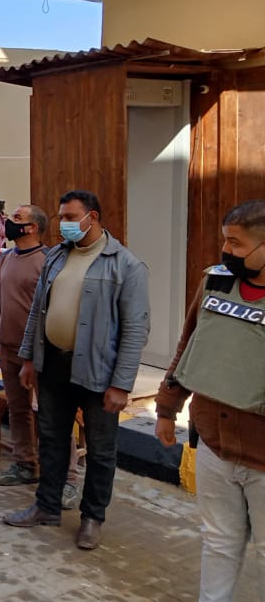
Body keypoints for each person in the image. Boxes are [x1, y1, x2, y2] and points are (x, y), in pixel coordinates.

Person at [4, 190, 150, 551]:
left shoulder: (125, 265)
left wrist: (122, 384)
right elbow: (38, 311)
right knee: (52, 439)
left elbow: (136, 329)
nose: (64, 224)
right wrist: (29, 359)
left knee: (101, 449)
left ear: (93, 217)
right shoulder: (56, 256)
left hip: (99, 373)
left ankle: (92, 518)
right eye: (62, 218)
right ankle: (47, 506)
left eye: (70, 217)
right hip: (53, 364)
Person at [155, 199, 265, 601]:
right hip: (214, 443)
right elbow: (189, 344)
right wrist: (167, 408)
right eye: (225, 240)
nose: (225, 251)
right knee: (218, 541)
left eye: (236, 243)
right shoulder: (215, 282)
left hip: (262, 453)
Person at [0, 205, 82, 508]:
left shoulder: (49, 261)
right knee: (18, 409)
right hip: (9, 349)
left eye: (17, 219)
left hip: (41, 354)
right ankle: (26, 464)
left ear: (33, 228)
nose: (9, 223)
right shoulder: (5, 258)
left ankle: (68, 479)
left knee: (54, 415)